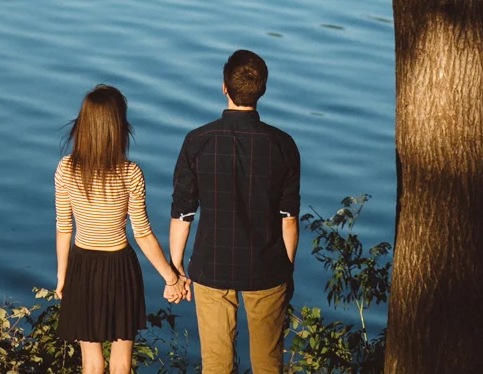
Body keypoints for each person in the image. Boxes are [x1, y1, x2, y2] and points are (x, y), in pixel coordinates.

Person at [169, 49, 300, 374]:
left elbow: (183, 213)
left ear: (224, 87)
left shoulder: (198, 141)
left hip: (212, 266)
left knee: (216, 365)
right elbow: (289, 219)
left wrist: (176, 269)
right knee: (269, 364)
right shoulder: (282, 145)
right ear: (263, 89)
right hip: (268, 268)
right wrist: (288, 269)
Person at [55, 85, 189, 374]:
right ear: (119, 127)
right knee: (121, 363)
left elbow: (64, 227)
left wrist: (62, 276)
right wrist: (172, 278)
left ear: (84, 125)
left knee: (91, 364)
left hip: (82, 268)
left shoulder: (66, 169)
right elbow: (142, 232)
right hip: (120, 269)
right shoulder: (130, 173)